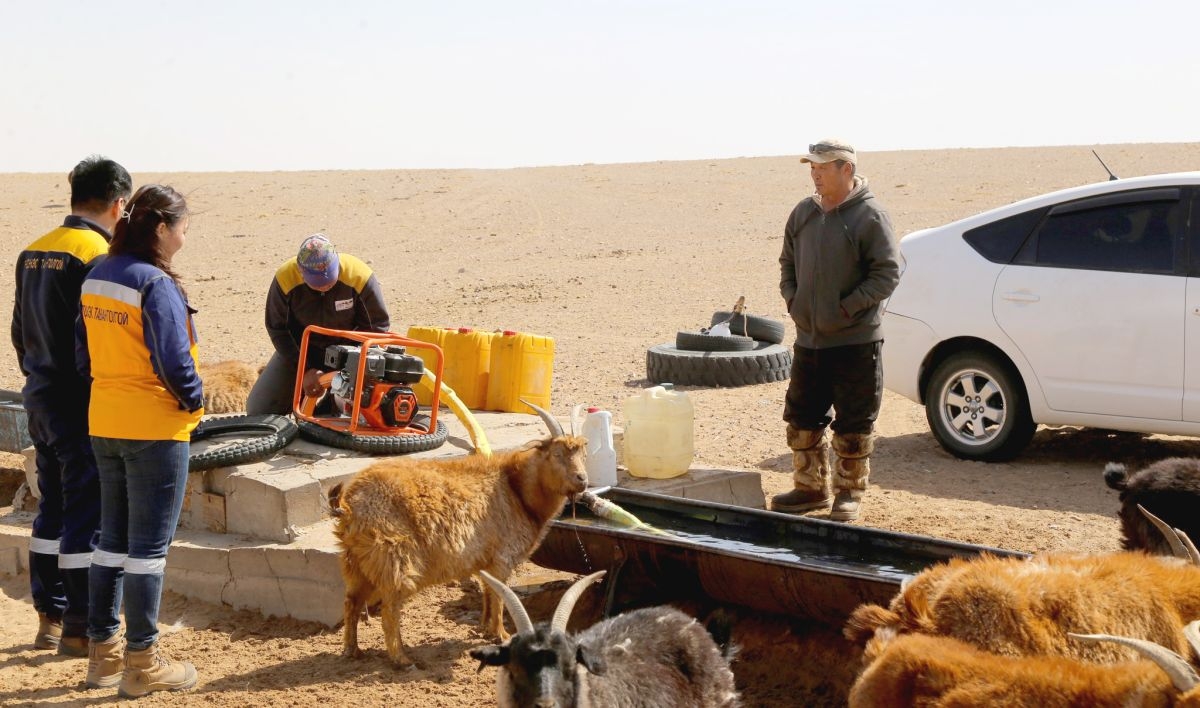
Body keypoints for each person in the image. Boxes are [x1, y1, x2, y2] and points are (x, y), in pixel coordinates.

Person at [78, 184, 202, 696]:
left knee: (111, 541)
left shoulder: (97, 276)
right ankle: (142, 664)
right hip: (154, 427)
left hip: (105, 422)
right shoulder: (155, 283)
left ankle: (102, 655)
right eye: (181, 226)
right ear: (159, 229)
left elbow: (82, 355)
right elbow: (174, 362)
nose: (184, 235)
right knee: (148, 550)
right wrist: (194, 402)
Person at [11, 156, 132, 656]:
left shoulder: (33, 250)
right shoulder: (96, 254)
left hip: (37, 396)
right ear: (119, 202)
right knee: (87, 510)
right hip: (79, 401)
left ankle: (49, 617)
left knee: (51, 507)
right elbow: (93, 339)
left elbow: (20, 332)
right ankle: (81, 626)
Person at [774, 139, 901, 522]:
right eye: (811, 167)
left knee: (854, 422)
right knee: (801, 416)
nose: (815, 174)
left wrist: (847, 308)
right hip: (809, 339)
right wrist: (793, 300)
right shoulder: (802, 214)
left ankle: (848, 494)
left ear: (846, 169)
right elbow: (787, 263)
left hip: (855, 341)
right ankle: (809, 487)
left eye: (823, 167)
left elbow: (887, 274)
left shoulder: (871, 216)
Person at [245, 233, 391, 415]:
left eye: (329, 281)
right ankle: (298, 404)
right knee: (259, 410)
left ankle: (333, 403)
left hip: (350, 353)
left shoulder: (358, 276)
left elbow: (377, 327)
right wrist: (304, 369)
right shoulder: (285, 279)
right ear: (300, 271)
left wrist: (349, 370)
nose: (324, 287)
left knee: (363, 413)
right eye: (317, 284)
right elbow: (278, 329)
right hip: (302, 351)